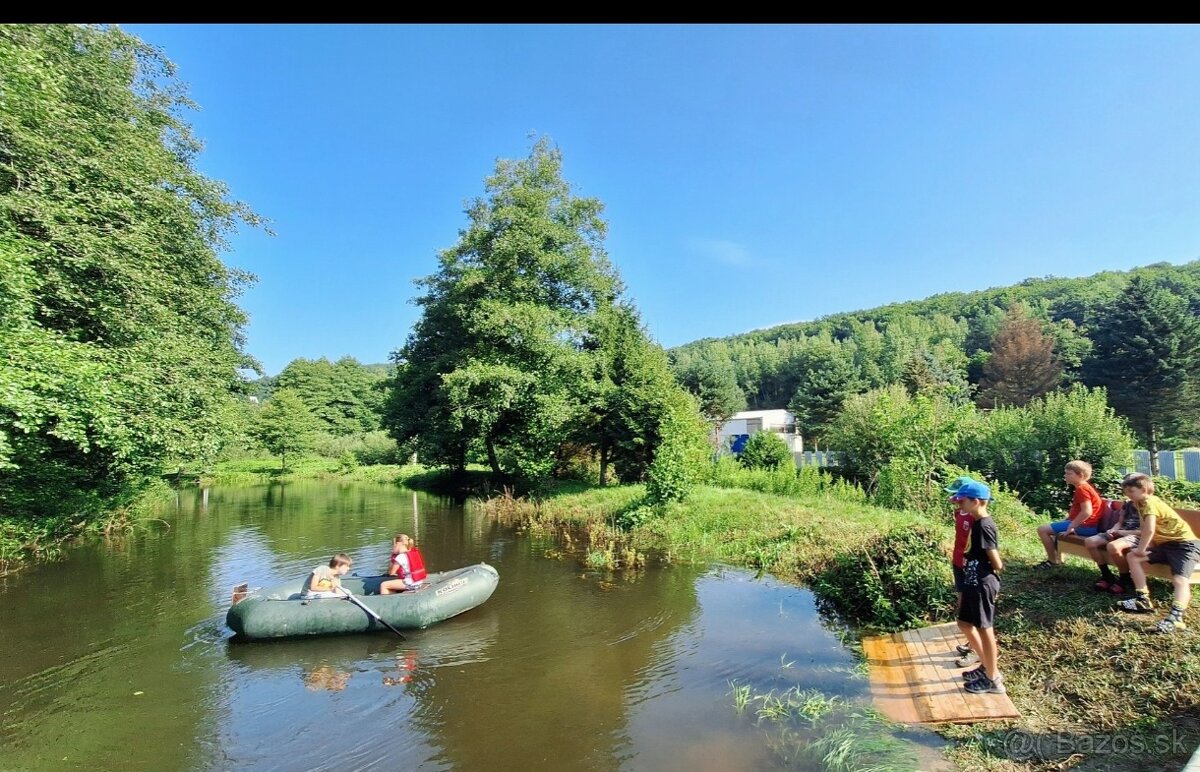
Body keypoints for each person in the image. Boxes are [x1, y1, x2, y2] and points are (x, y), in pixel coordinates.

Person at [1117, 473, 1200, 634]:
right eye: (1125, 491)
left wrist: (1141, 549)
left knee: (1180, 580)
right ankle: (1143, 599)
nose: (1127, 494)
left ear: (1145, 489)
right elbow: (1145, 530)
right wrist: (1147, 549)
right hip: (1166, 545)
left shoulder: (1150, 502)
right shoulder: (1139, 504)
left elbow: (1149, 529)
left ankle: (1176, 618)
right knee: (1132, 557)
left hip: (1185, 545)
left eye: (1131, 491)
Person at [954, 480, 1006, 695]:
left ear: (976, 502)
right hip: (972, 580)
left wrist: (987, 568)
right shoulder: (976, 522)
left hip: (983, 583)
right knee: (964, 623)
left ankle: (993, 680)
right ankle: (986, 666)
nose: (959, 505)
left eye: (962, 501)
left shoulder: (984, 525)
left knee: (985, 630)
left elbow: (997, 562)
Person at [1035, 460, 1104, 568]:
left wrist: (1072, 526)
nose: (1065, 476)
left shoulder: (1082, 489)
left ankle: (1053, 561)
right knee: (1053, 529)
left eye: (1069, 473)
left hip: (1085, 527)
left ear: (1080, 475)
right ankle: (1057, 558)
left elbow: (1087, 511)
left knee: (1042, 530)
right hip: (1087, 525)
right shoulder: (1084, 487)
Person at [945, 476, 980, 667]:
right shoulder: (960, 513)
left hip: (969, 566)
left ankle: (976, 650)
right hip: (958, 562)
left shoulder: (976, 518)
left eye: (956, 497)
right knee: (962, 604)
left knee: (971, 608)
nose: (952, 500)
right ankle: (971, 642)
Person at [1083, 498, 1140, 594]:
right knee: (1089, 541)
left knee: (1113, 546)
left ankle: (1124, 578)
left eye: (1131, 491)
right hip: (1120, 531)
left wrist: (1122, 532)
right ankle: (1107, 575)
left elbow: (1144, 531)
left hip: (1135, 536)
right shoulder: (1127, 503)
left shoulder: (1148, 505)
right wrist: (1112, 530)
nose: (1128, 495)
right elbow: (1119, 523)